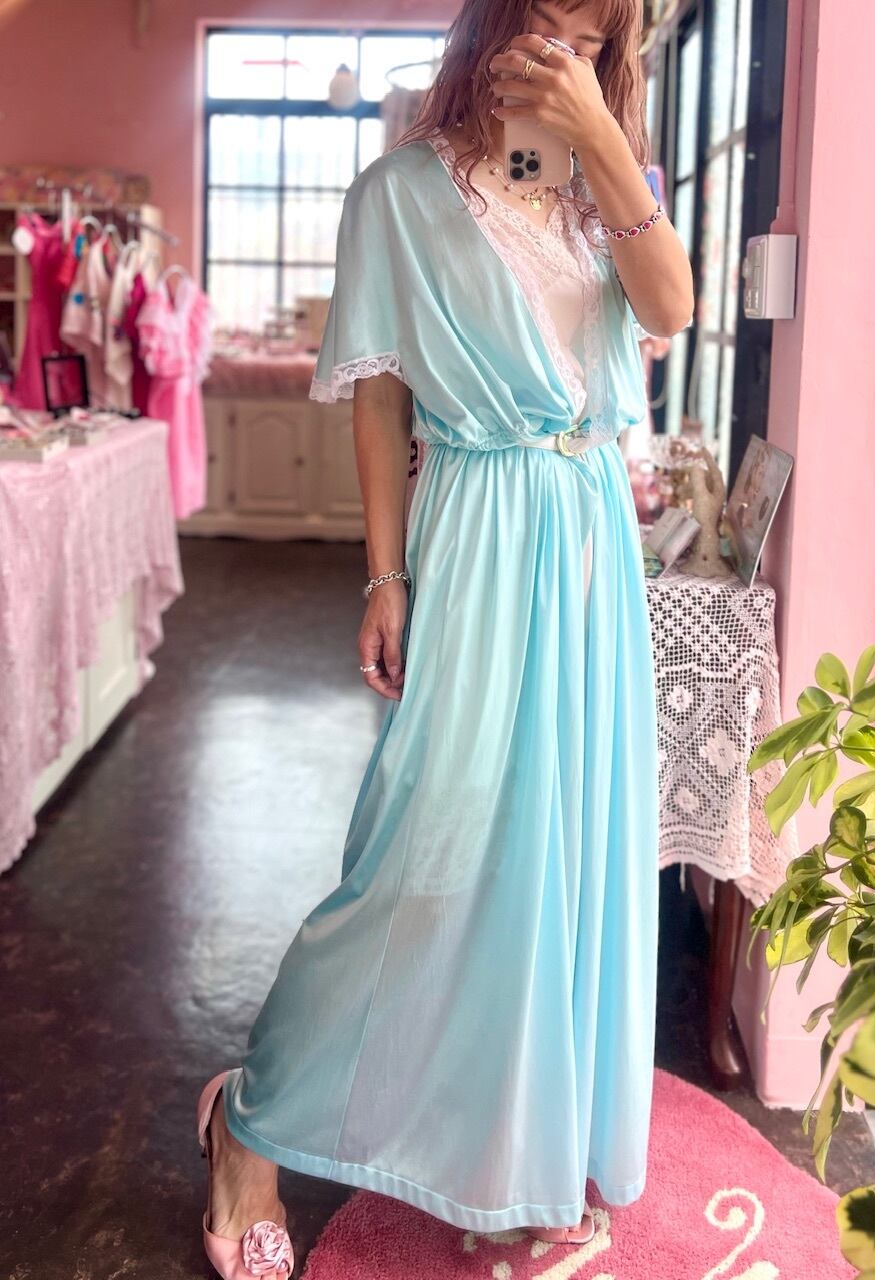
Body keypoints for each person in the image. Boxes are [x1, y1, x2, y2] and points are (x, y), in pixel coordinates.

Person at [195, 1, 694, 1275]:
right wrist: (385, 574)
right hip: (476, 527)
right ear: (498, 20)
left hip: (590, 537)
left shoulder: (599, 185)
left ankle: (522, 1147)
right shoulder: (400, 193)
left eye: (598, 36)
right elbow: (380, 399)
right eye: (552, 22)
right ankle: (247, 1119)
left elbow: (672, 304)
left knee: (561, 846)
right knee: (426, 842)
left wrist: (602, 144)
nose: (569, 53)